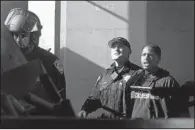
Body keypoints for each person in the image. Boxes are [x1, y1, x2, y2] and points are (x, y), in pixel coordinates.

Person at [2, 8, 66, 115]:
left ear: (33, 37)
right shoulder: (7, 58)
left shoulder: (49, 61)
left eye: (23, 36)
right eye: (15, 35)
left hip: (40, 118)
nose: (18, 40)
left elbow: (60, 100)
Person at [78, 37, 141, 119]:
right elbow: (95, 96)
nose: (116, 49)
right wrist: (85, 109)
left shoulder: (138, 73)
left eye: (120, 46)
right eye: (113, 47)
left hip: (127, 124)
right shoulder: (106, 74)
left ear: (129, 51)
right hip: (107, 123)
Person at [125, 43, 180, 119]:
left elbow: (177, 112)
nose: (146, 58)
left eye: (150, 55)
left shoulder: (168, 82)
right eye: (143, 55)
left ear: (158, 58)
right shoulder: (134, 79)